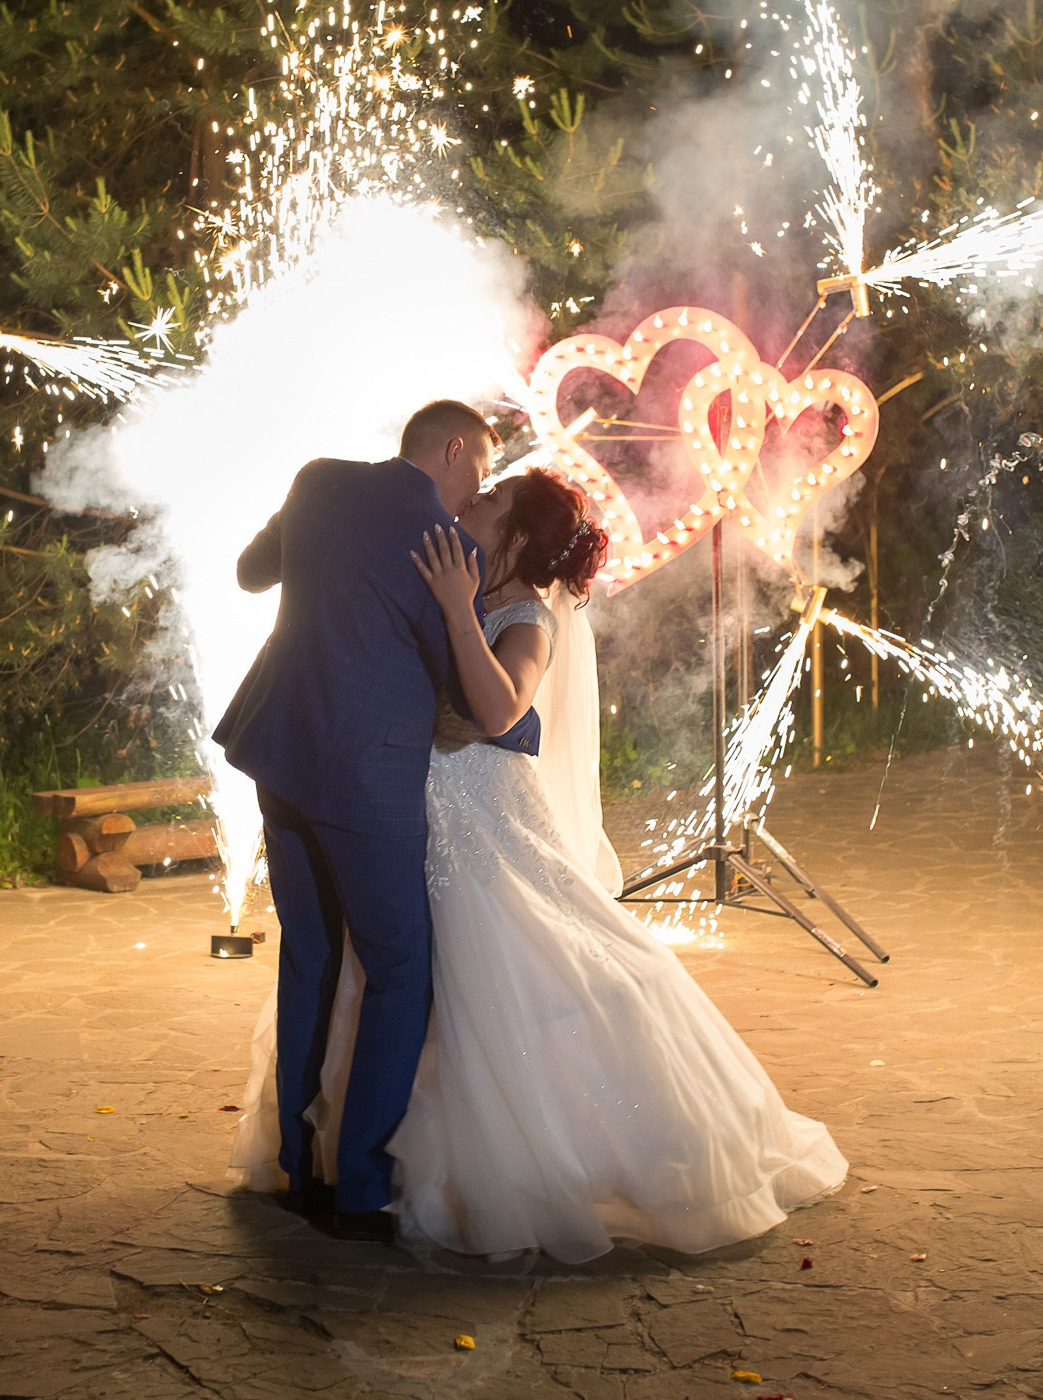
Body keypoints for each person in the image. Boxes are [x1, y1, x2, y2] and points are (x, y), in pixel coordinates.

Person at [230, 465, 847, 1262]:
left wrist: (457, 612)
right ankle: (355, 1162)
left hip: (481, 819)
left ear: (518, 537)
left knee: (502, 973)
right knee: (403, 979)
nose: (472, 503)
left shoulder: (526, 617)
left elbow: (499, 709)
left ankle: (500, 1159)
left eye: (491, 502)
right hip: (407, 807)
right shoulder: (450, 571)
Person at [211, 400, 536, 1244]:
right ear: (455, 449)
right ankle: (359, 1187)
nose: (477, 490)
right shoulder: (450, 550)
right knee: (399, 970)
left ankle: (295, 1163)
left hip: (279, 752)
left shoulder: (317, 482)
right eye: (480, 469)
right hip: (366, 781)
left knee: (310, 956)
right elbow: (473, 701)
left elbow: (253, 574)